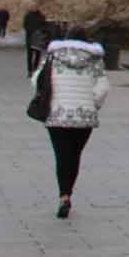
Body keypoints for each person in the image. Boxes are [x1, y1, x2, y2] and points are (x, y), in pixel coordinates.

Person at [34, 26, 109, 219]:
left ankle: (64, 195)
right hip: (84, 117)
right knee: (75, 155)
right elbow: (102, 88)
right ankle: (69, 191)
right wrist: (93, 104)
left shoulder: (52, 55)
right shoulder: (95, 59)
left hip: (57, 115)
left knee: (61, 155)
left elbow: (37, 80)